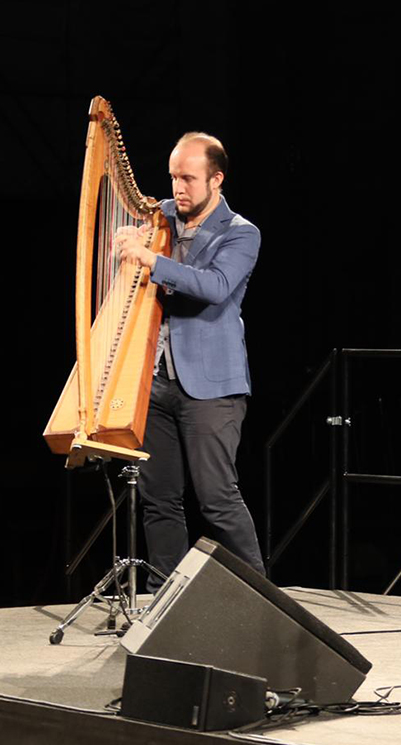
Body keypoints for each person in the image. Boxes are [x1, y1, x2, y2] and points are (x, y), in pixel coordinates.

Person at [114, 132, 264, 588]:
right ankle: (162, 599)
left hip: (211, 389)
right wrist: (126, 239)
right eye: (174, 177)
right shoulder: (159, 219)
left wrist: (149, 260)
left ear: (216, 180)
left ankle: (260, 598)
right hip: (155, 382)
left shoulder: (240, 233)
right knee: (159, 500)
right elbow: (134, 252)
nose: (178, 188)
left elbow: (214, 287)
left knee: (216, 498)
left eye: (189, 179)